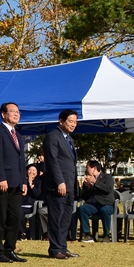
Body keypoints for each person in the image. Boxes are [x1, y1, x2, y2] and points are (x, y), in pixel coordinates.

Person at [0, 101, 29, 264]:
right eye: (13, 111)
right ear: (3, 114)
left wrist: (24, 180)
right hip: (3, 181)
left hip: (17, 182)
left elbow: (22, 160)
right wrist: (0, 177)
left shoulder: (17, 134)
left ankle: (9, 248)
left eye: (18, 111)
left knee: (16, 216)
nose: (17, 114)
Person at [43, 109, 79, 259]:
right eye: (70, 121)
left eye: (75, 122)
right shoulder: (52, 137)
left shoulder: (69, 139)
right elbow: (53, 162)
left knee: (66, 218)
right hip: (58, 185)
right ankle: (55, 249)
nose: (73, 125)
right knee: (56, 218)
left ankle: (63, 247)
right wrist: (60, 182)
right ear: (61, 121)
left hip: (70, 185)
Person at [77, 159, 116, 242]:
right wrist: (88, 187)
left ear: (94, 168)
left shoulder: (107, 177)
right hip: (93, 205)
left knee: (104, 210)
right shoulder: (87, 180)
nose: (86, 169)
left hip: (106, 204)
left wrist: (95, 182)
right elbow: (84, 197)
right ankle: (87, 234)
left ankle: (106, 235)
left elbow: (108, 189)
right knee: (82, 209)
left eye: (87, 167)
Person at [21, 164, 44, 240]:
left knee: (20, 212)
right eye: (29, 170)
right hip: (20, 203)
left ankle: (23, 233)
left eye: (34, 170)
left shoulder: (39, 182)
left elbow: (36, 193)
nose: (31, 172)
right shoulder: (22, 180)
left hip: (31, 205)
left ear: (37, 172)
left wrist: (30, 183)